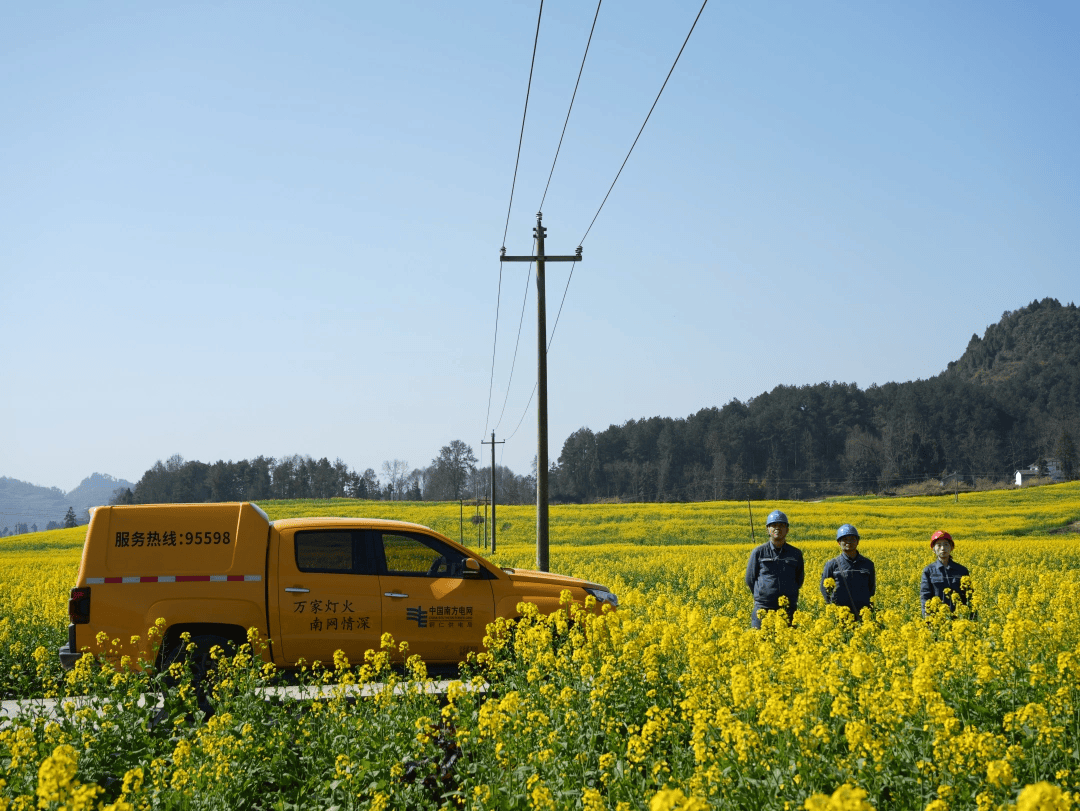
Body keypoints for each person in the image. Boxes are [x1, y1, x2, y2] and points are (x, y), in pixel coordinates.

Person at [745, 510, 805, 628]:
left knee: (788, 644)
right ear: (767, 529)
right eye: (774, 525)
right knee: (760, 642)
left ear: (787, 530)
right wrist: (763, 594)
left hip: (788, 608)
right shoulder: (758, 552)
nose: (778, 528)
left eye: (782, 525)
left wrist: (789, 591)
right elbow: (750, 579)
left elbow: (799, 579)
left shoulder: (795, 554)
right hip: (763, 608)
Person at [820, 523, 876, 620]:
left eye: (852, 539)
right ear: (838, 543)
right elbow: (824, 588)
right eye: (845, 539)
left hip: (863, 615)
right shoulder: (832, 564)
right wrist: (832, 607)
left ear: (858, 541)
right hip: (840, 615)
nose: (848, 542)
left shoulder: (868, 564)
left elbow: (871, 589)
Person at [920, 530, 971, 616]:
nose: (943, 548)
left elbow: (970, 597)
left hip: (960, 618)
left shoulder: (962, 570)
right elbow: (925, 597)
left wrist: (972, 617)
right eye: (939, 545)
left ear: (951, 548)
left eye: (946, 544)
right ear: (933, 549)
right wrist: (928, 619)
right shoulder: (928, 571)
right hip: (937, 619)